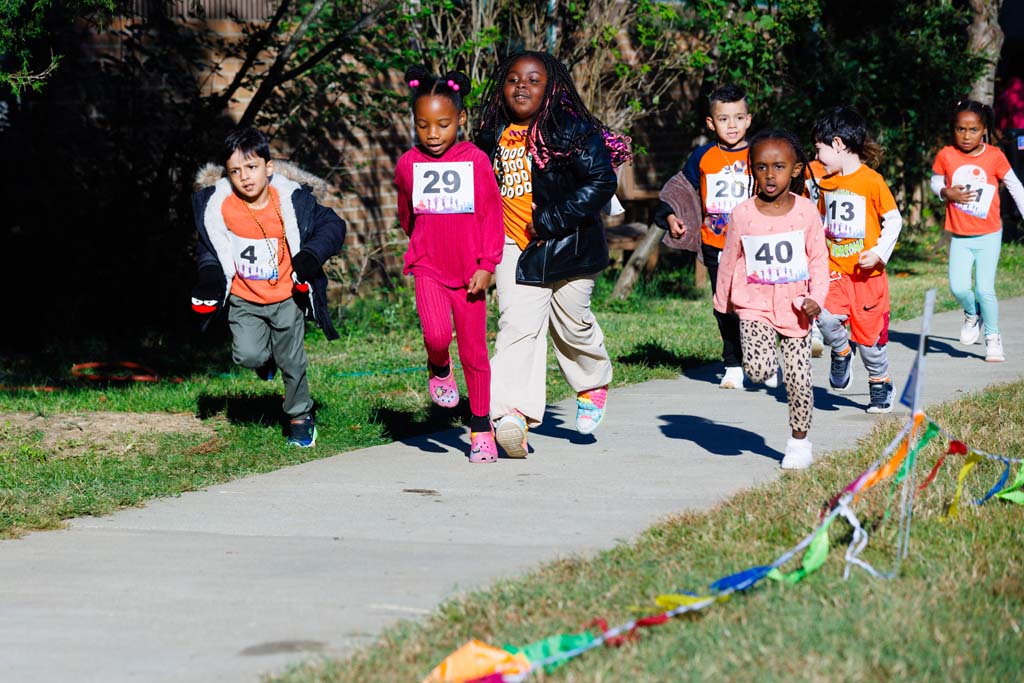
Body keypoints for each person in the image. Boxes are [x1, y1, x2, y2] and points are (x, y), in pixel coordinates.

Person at [473, 51, 631, 458]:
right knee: (517, 327)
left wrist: (550, 220)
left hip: (567, 243)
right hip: (513, 246)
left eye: (533, 80)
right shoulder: (491, 134)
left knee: (570, 323)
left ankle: (592, 380)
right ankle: (511, 417)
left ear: (551, 88)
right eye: (512, 79)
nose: (521, 86)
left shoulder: (571, 131)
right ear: (501, 88)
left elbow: (600, 180)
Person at [190, 128, 346, 447]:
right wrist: (209, 279)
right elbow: (208, 248)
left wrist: (310, 256)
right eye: (236, 171)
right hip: (244, 298)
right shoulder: (218, 205)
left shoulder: (292, 199)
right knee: (247, 354)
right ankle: (265, 360)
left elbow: (334, 226)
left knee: (293, 361)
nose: (245, 177)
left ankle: (300, 417)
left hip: (287, 295)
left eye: (252, 167)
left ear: (268, 167)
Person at [394, 67, 505, 463]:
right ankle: (438, 366)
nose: (433, 134)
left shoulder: (475, 160)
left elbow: (493, 216)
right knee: (437, 335)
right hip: (428, 268)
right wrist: (425, 247)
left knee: (475, 353)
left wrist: (487, 264)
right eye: (423, 125)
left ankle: (480, 428)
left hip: (471, 272)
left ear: (460, 119)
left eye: (443, 124)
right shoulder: (408, 164)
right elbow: (407, 215)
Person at [714, 129, 828, 469]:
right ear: (752, 170)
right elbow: (730, 256)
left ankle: (799, 441)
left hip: (796, 307)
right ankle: (765, 367)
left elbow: (819, 260)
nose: (769, 175)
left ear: (794, 169)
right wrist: (722, 303)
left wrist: (816, 299)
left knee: (799, 379)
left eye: (778, 166)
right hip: (754, 303)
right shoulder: (743, 213)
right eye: (761, 167)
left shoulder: (806, 211)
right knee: (760, 369)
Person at [657, 85, 753, 388]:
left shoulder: (760, 152)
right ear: (711, 123)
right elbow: (679, 190)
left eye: (738, 118)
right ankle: (733, 363)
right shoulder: (702, 156)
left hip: (754, 244)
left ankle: (756, 350)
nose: (732, 125)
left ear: (749, 119)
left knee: (751, 305)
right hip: (716, 243)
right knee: (723, 303)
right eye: (724, 119)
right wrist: (671, 216)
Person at [813, 106, 903, 413]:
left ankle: (880, 382)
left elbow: (894, 220)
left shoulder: (871, 181)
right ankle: (840, 351)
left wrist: (878, 253)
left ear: (837, 144)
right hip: (835, 272)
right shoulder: (825, 182)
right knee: (824, 318)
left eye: (819, 149)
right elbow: (822, 219)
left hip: (868, 279)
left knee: (870, 342)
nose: (818, 157)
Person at [931, 99, 1024, 362]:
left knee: (986, 289)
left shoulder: (995, 156)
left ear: (983, 130)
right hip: (960, 236)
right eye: (961, 129)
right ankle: (973, 314)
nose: (967, 135)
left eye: (973, 130)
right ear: (954, 129)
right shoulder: (946, 155)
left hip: (989, 234)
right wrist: (944, 192)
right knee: (959, 288)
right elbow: (935, 181)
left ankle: (993, 338)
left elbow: (1015, 186)